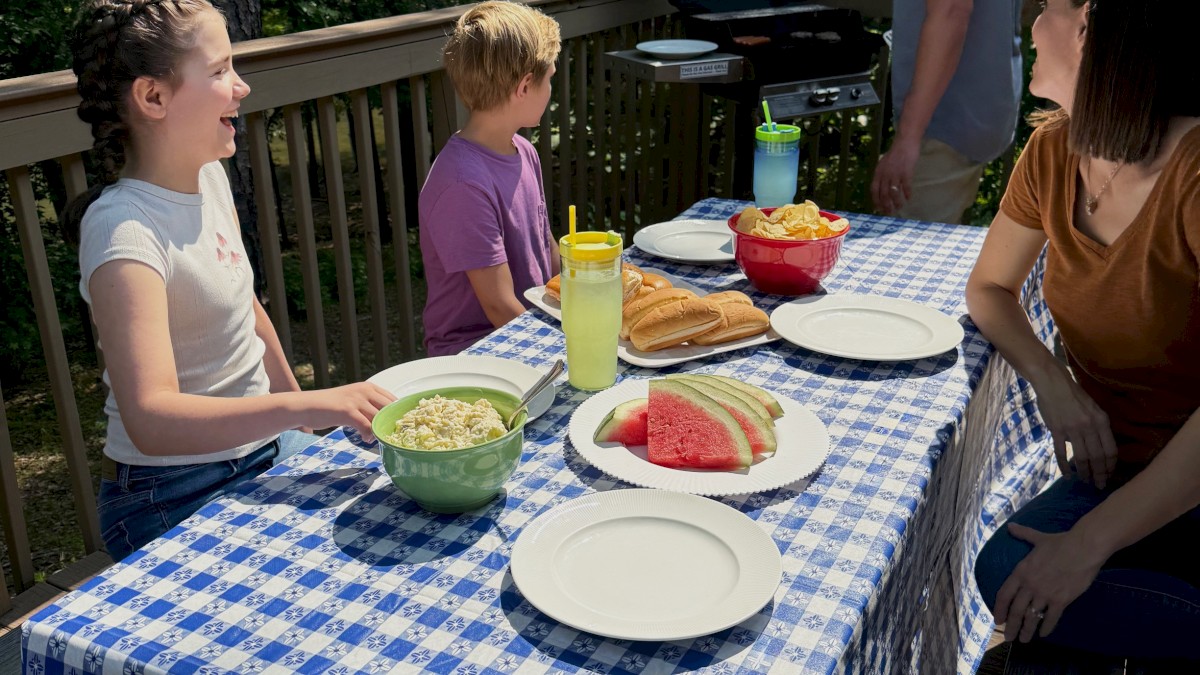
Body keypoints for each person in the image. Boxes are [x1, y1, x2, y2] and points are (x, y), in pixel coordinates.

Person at [64, 0, 395, 561]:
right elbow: (152, 419)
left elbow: (247, 309)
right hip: (169, 492)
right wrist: (309, 407)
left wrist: (300, 415)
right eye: (219, 72)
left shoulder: (209, 177)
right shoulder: (124, 230)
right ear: (153, 97)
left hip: (267, 451)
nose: (241, 87)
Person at [968, 0, 1200, 665]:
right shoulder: (1051, 153)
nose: (1033, 23)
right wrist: (1054, 383)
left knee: (1036, 593)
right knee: (1019, 578)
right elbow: (988, 289)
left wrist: (1088, 543)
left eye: (1052, 6)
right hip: (1122, 472)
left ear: (1098, 30)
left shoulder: (1194, 175)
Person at [418, 1, 561, 356]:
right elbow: (498, 306)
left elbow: (545, 244)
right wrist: (564, 351)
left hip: (532, 329)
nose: (551, 90)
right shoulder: (462, 183)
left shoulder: (522, 151)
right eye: (550, 79)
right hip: (478, 352)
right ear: (525, 86)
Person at [871, 0, 1023, 224]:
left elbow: (951, 10)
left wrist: (908, 138)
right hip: (981, 110)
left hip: (942, 124)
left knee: (913, 250)